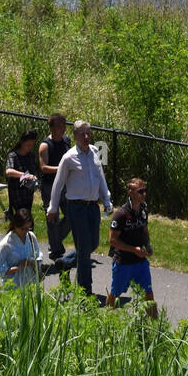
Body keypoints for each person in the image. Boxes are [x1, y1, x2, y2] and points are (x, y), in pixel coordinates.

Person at [47, 120, 112, 296]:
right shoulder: (68, 158)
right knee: (84, 252)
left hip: (92, 207)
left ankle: (66, 262)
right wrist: (53, 208)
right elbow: (58, 184)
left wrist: (106, 200)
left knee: (93, 244)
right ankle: (85, 291)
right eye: (82, 134)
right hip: (76, 208)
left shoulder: (95, 151)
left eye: (88, 133)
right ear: (74, 136)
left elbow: (100, 177)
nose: (86, 137)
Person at [106, 177, 157, 318]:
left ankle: (155, 327)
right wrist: (133, 250)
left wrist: (147, 245)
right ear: (131, 192)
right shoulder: (121, 214)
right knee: (115, 293)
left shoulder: (143, 210)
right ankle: (107, 320)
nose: (144, 194)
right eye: (140, 191)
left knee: (149, 293)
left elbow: (145, 231)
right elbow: (113, 240)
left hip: (140, 262)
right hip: (123, 263)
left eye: (145, 190)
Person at [39, 113, 72, 260]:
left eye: (64, 125)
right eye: (60, 125)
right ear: (52, 128)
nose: (63, 128)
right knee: (52, 217)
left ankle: (55, 240)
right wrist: (62, 168)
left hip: (65, 185)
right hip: (49, 185)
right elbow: (44, 167)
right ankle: (56, 249)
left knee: (72, 214)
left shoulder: (66, 141)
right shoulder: (45, 145)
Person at [0, 208, 44, 288]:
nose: (26, 231)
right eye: (23, 228)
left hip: (31, 284)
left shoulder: (31, 236)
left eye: (29, 228)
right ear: (15, 226)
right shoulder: (6, 244)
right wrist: (18, 268)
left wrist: (33, 262)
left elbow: (38, 255)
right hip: (14, 287)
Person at [5, 130, 39, 218]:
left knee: (27, 219)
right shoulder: (13, 155)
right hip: (17, 193)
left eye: (32, 145)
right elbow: (9, 171)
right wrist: (26, 176)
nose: (30, 147)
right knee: (22, 219)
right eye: (28, 145)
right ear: (21, 142)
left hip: (28, 193)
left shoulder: (31, 156)